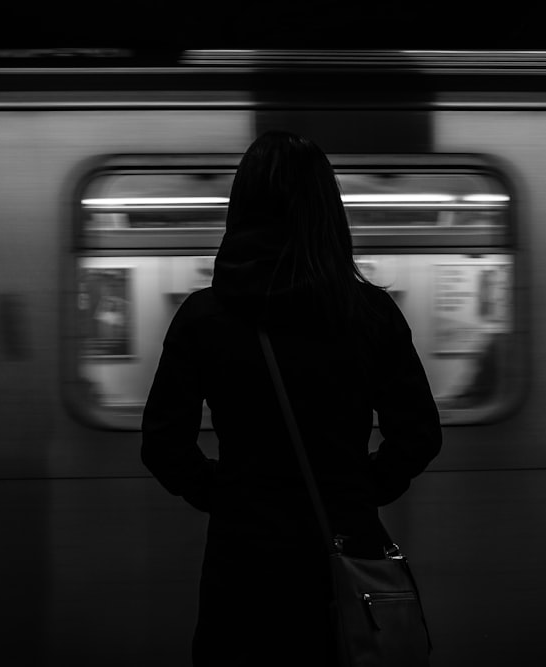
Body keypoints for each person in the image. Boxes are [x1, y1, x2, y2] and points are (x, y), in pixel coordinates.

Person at [140, 131, 442, 666]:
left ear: (241, 210)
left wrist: (222, 492)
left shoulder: (204, 318)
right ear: (327, 213)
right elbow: (418, 433)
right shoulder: (369, 313)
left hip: (245, 564)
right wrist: (360, 488)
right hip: (345, 549)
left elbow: (164, 443)